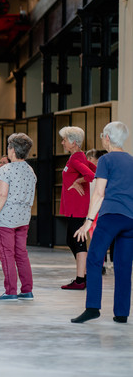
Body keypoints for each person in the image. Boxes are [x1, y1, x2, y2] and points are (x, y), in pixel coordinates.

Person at [71, 122, 133, 324]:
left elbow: (98, 193)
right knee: (124, 266)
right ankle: (121, 313)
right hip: (130, 218)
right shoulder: (131, 160)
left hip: (111, 216)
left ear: (107, 137)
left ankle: (92, 308)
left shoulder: (106, 160)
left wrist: (88, 222)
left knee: (95, 259)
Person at [0, 133, 37, 300]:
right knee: (21, 253)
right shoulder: (30, 170)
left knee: (6, 254)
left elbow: (2, 194)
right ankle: (27, 290)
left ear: (13, 150)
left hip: (6, 218)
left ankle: (10, 291)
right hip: (23, 217)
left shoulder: (6, 169)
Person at [58, 126, 96, 290]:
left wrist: (78, 181)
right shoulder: (77, 157)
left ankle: (81, 280)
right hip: (73, 207)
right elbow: (96, 170)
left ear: (73, 142)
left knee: (78, 242)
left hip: (77, 207)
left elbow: (91, 175)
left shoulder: (76, 159)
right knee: (71, 240)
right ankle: (85, 274)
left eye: (64, 140)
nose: (62, 143)